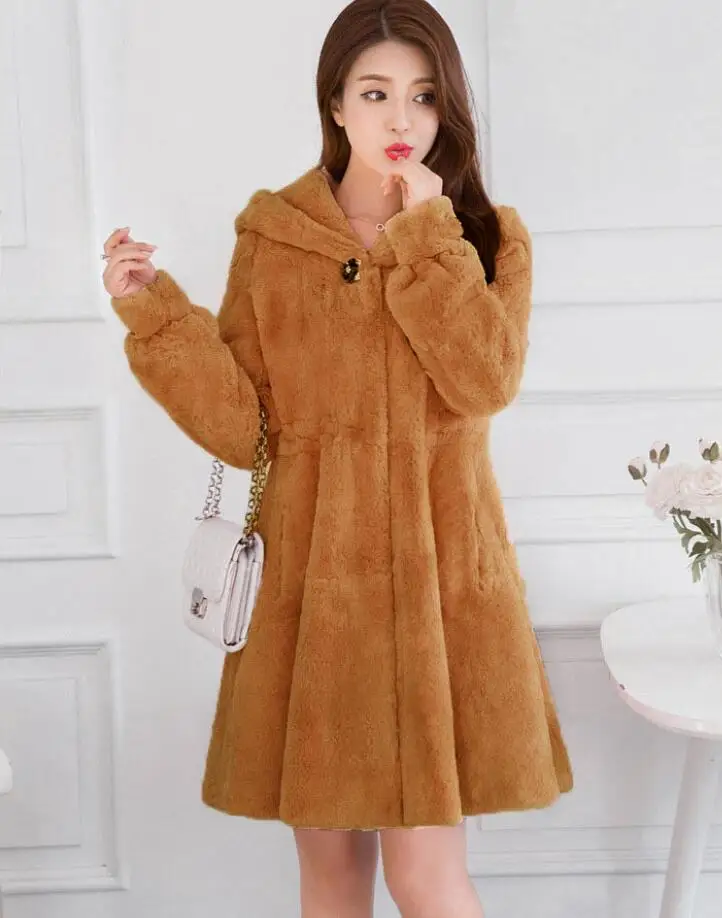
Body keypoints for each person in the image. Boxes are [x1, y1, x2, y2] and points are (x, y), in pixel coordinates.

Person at [102, 1, 573, 914]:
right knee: (331, 875)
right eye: (376, 92)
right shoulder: (275, 238)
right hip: (313, 595)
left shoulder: (485, 236)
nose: (403, 119)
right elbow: (245, 427)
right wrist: (156, 314)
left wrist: (425, 237)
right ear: (336, 103)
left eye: (424, 96)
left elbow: (485, 384)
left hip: (442, 590)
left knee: (426, 876)